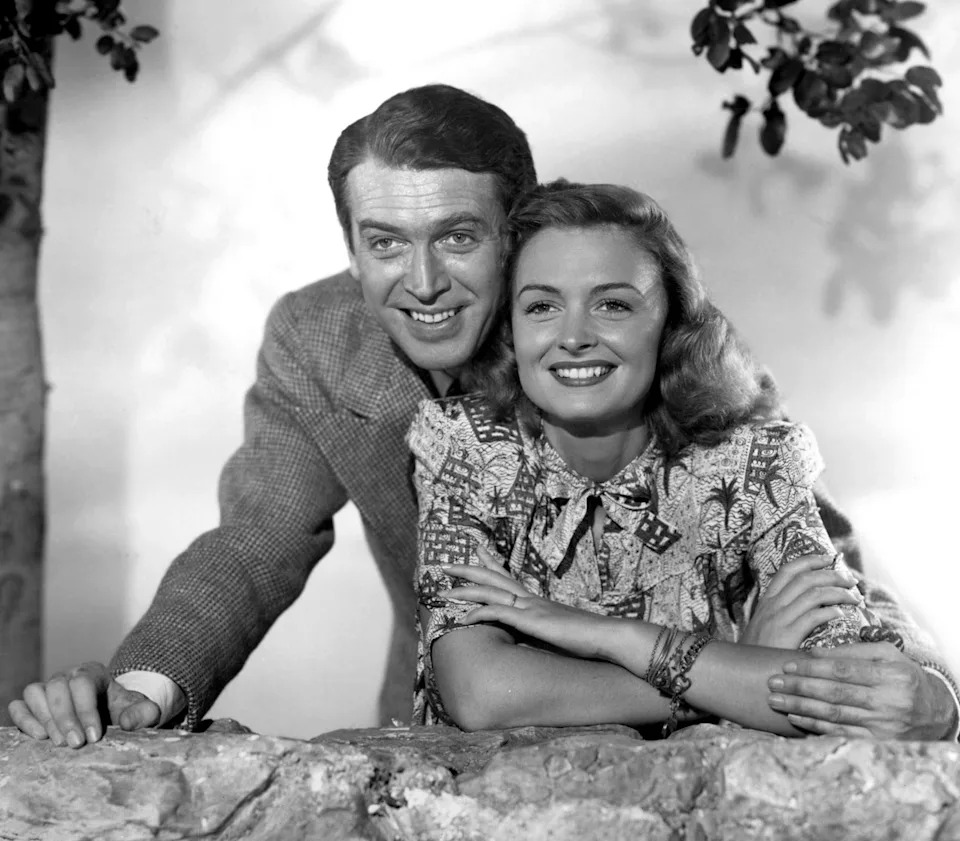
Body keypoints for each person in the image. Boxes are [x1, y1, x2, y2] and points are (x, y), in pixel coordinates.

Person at [7, 86, 956, 747]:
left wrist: (925, 691)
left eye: (458, 238)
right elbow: (253, 543)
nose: (421, 285)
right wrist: (138, 691)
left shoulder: (627, 326)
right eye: (384, 243)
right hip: (480, 725)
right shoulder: (319, 341)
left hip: (721, 744)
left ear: (519, 229)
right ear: (350, 246)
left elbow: (816, 545)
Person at [410, 180, 958, 738]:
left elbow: (852, 692)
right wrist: (728, 665)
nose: (573, 336)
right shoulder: (465, 449)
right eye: (543, 306)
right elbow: (481, 694)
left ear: (671, 326)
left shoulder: (753, 465)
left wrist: (613, 637)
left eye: (613, 304)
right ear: (512, 329)